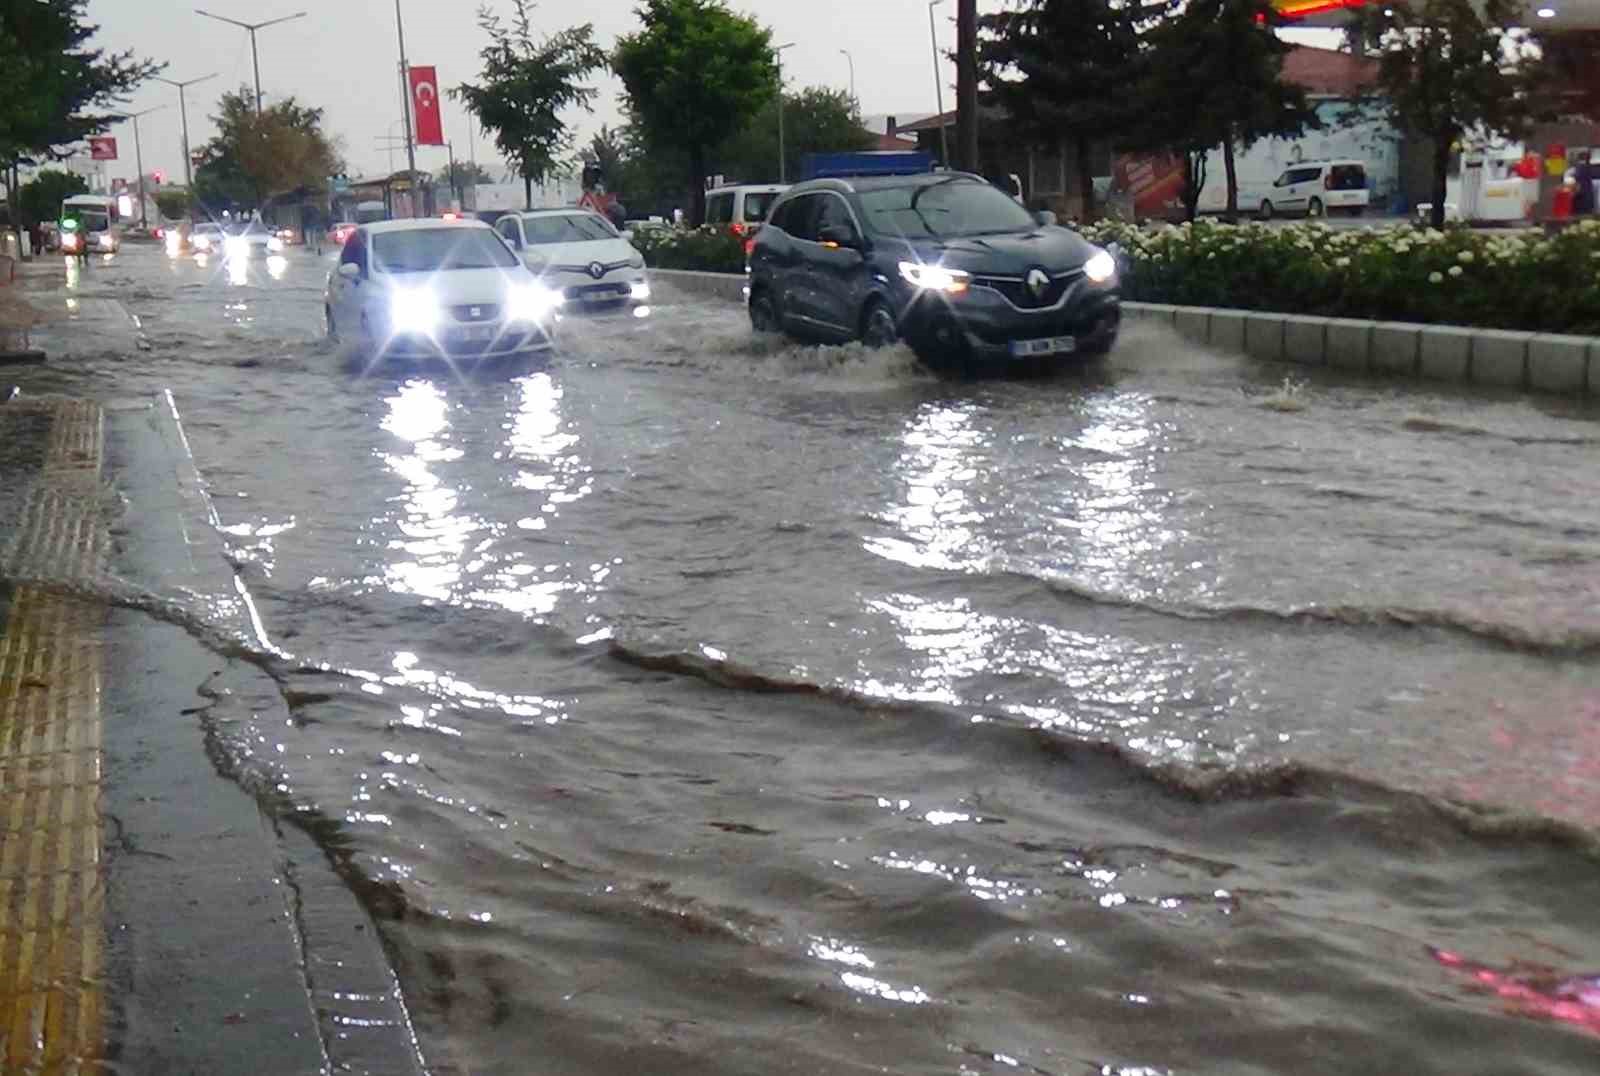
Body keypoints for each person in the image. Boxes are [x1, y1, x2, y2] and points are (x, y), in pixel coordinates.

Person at [1574, 150, 1596, 217]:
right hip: (1586, 194)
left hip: (1582, 195)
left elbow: (1578, 181)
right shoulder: (1586, 167)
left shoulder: (1579, 168)